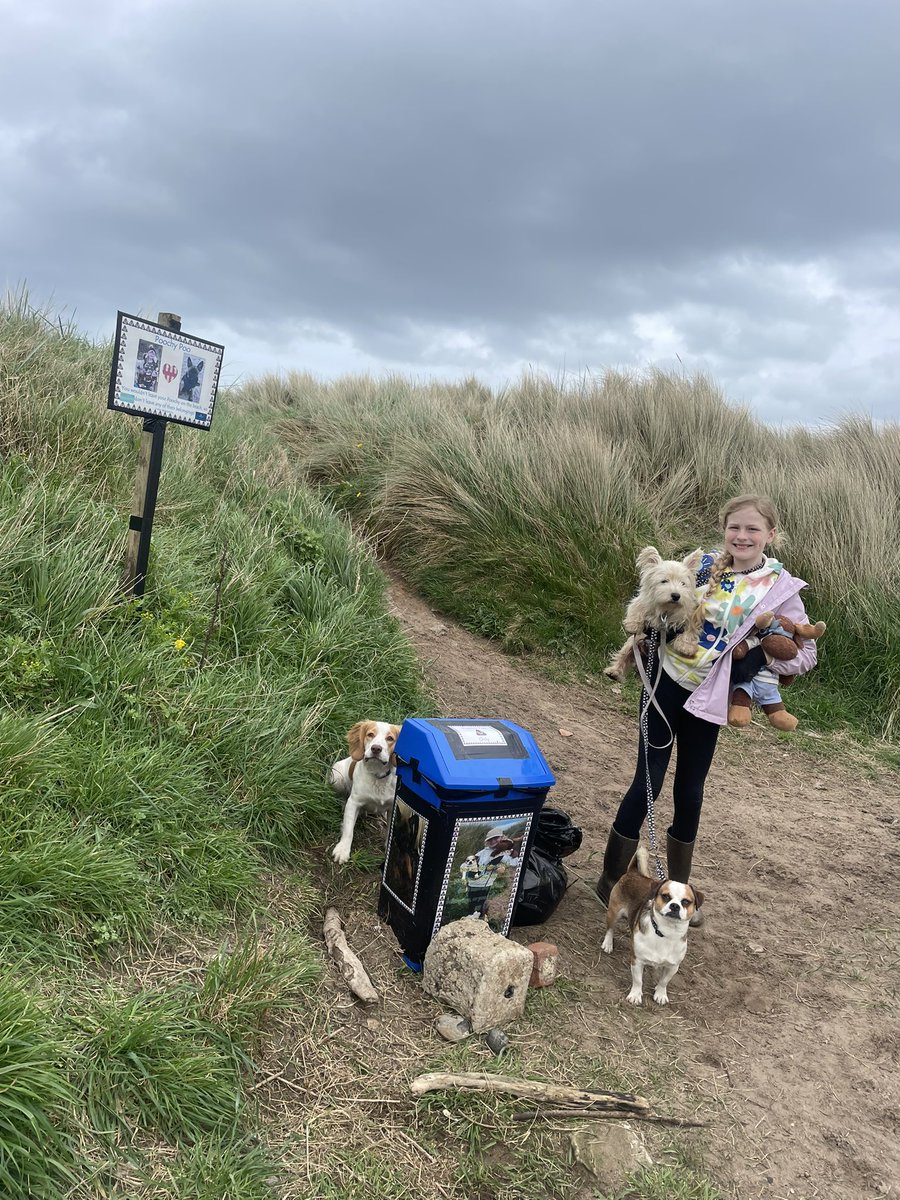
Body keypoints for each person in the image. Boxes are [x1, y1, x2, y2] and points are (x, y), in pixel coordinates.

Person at [596, 494, 818, 910]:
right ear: (724, 529)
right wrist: (648, 630)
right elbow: (655, 600)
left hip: (708, 699)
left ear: (771, 534)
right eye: (735, 527)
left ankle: (676, 893)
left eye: (753, 529)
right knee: (648, 778)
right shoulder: (703, 568)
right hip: (665, 682)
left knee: (690, 790)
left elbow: (806, 653)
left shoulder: (780, 589)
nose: (742, 535)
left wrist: (757, 657)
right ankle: (610, 882)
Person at [461, 827, 522, 916]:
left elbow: (514, 863)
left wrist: (513, 855)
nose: (493, 841)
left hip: (486, 883)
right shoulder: (483, 851)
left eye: (496, 838)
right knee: (472, 902)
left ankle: (481, 918)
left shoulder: (504, 853)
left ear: (502, 838)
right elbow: (467, 863)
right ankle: (473, 918)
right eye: (490, 839)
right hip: (473, 883)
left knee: (481, 901)